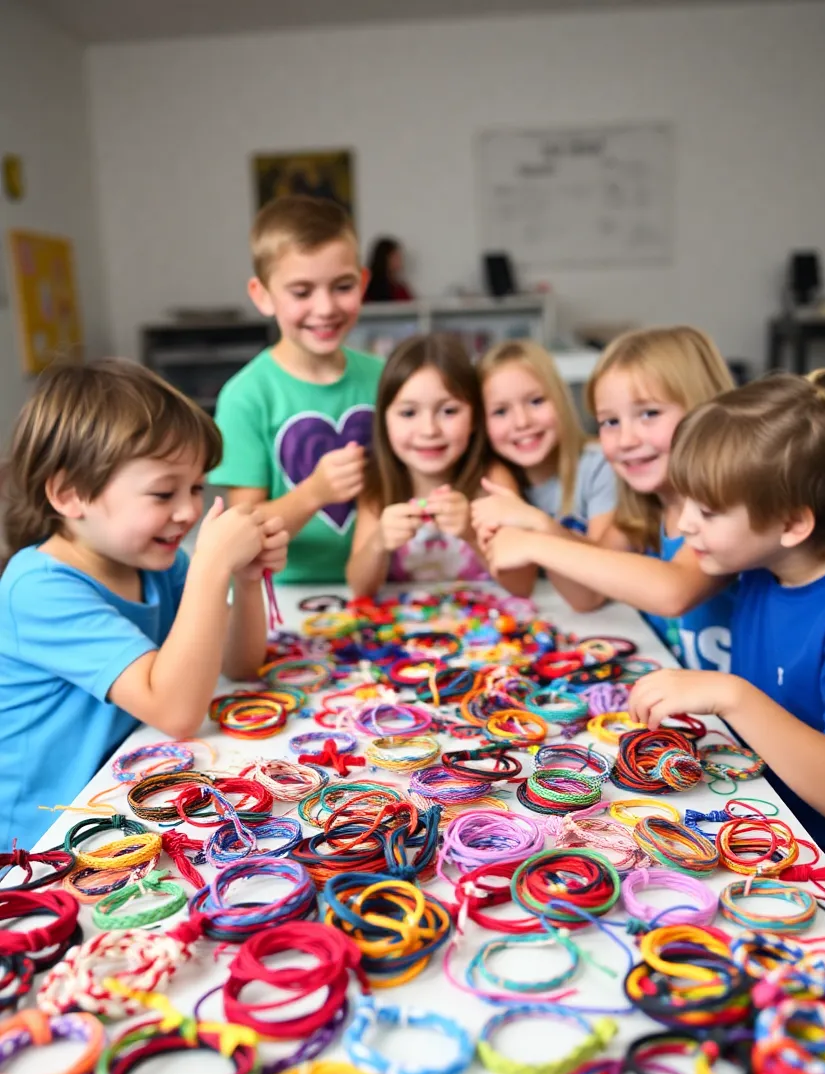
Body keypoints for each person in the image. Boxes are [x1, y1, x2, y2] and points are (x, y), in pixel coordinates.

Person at [0, 359, 288, 853]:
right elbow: (177, 712)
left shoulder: (156, 562)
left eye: (197, 488)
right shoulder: (37, 587)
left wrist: (244, 579)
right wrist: (209, 567)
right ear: (70, 494)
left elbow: (239, 666)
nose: (189, 511)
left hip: (123, 799)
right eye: (163, 492)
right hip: (41, 840)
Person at [628, 372, 825, 853]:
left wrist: (731, 695)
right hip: (757, 820)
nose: (683, 524)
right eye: (685, 501)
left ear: (791, 522)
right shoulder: (760, 565)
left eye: (709, 510)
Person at [480, 326, 738, 670]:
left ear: (704, 412)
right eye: (610, 421)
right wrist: (538, 522)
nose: (626, 439)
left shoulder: (730, 506)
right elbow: (587, 594)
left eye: (649, 413)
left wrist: (534, 543)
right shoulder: (644, 508)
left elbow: (674, 590)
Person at [210, 197, 382, 583]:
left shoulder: (386, 378)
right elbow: (242, 529)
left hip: (379, 585)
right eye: (301, 292)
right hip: (281, 592)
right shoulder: (245, 396)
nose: (324, 308)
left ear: (363, 282)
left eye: (342, 286)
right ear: (262, 296)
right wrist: (314, 493)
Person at [346, 333, 535, 598]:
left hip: (486, 631)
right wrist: (378, 542)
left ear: (474, 418)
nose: (429, 430)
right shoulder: (379, 484)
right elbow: (360, 589)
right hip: (404, 632)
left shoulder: (491, 481)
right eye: (408, 413)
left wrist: (471, 533)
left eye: (448, 411)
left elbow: (522, 585)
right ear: (384, 421)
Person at [470, 339, 617, 610]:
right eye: (500, 411)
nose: (522, 422)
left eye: (536, 401)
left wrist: (537, 521)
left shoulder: (600, 466)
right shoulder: (494, 479)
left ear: (560, 398)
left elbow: (598, 587)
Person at [364, 237, 414, 302]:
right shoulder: (366, 288)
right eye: (396, 257)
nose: (400, 261)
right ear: (385, 259)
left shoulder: (399, 290)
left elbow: (411, 308)